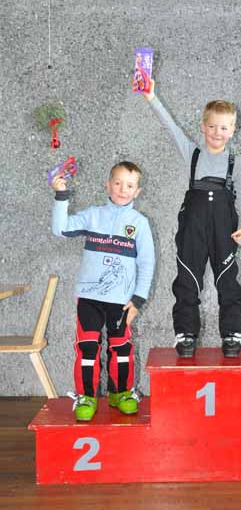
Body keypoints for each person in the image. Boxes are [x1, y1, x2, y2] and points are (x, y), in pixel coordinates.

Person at [142, 80, 241, 358]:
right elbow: (170, 127)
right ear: (203, 126)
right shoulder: (193, 153)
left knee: (227, 278)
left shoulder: (235, 163)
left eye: (223, 128)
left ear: (232, 130)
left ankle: (233, 333)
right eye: (212, 126)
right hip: (193, 224)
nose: (217, 132)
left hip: (224, 227)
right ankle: (185, 333)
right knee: (188, 277)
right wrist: (151, 96)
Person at [51, 161, 155, 421]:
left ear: (137, 191)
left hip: (122, 301)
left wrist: (137, 301)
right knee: (87, 347)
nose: (122, 189)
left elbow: (147, 263)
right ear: (108, 186)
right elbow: (60, 229)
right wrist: (61, 195)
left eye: (129, 185)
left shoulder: (140, 223)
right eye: (117, 183)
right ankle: (86, 396)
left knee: (121, 347)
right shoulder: (93, 215)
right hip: (89, 298)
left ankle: (122, 393)